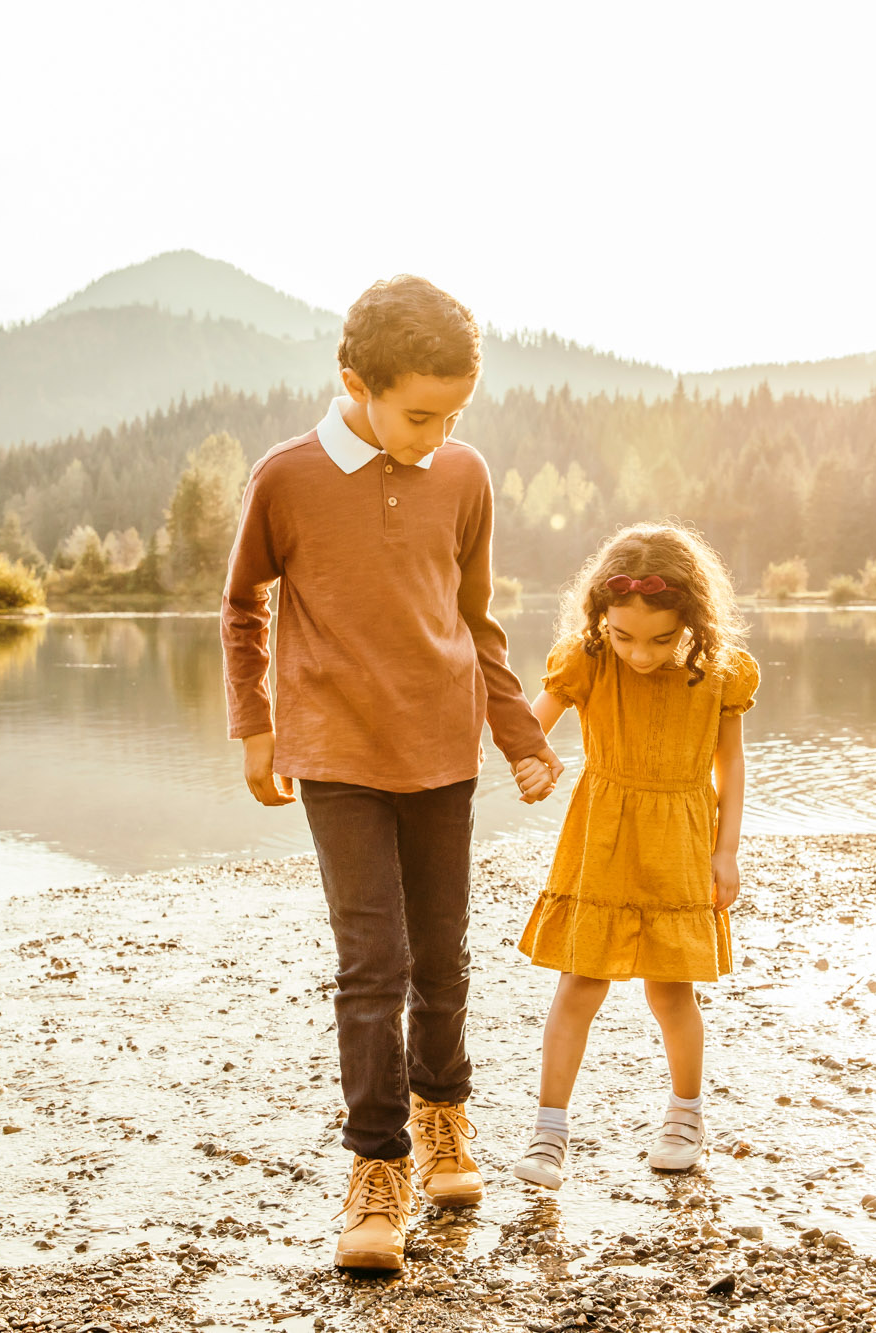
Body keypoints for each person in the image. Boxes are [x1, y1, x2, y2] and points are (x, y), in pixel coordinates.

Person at [220, 275, 564, 1271]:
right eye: (418, 413)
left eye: (454, 414)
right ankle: (376, 1169)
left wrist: (519, 735)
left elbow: (475, 618)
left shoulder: (462, 476)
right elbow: (242, 605)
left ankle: (444, 1112)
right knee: (372, 963)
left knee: (444, 955)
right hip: (333, 756)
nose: (436, 432)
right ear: (353, 384)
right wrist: (254, 726)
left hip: (439, 750)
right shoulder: (285, 478)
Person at [507, 522, 757, 1190]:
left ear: (692, 622)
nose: (640, 653)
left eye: (660, 638)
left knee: (671, 990)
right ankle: (549, 1131)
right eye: (623, 636)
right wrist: (531, 755)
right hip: (602, 840)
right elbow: (528, 726)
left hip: (680, 841)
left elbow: (730, 764)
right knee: (579, 984)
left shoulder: (719, 671)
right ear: (600, 621)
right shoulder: (586, 659)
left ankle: (685, 1116)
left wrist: (726, 850)